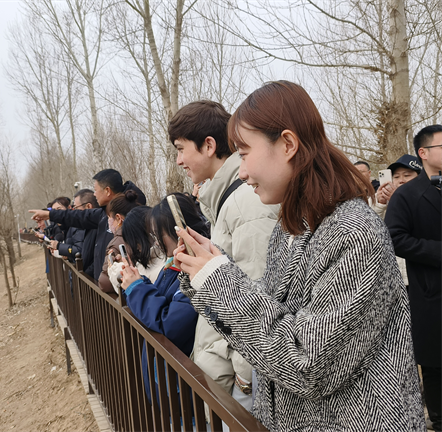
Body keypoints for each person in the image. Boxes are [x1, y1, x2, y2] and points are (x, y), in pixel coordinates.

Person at [174, 81, 424, 431]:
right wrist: (209, 276)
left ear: (288, 144)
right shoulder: (290, 228)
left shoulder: (353, 232)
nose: (242, 172)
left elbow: (307, 363)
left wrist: (221, 280)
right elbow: (269, 334)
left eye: (245, 155)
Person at [169, 100, 279, 410]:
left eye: (180, 149)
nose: (178, 161)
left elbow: (262, 297)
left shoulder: (246, 203)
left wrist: (246, 374)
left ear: (208, 145)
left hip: (241, 378)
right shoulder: (226, 202)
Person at [120, 193, 209, 401]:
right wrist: (138, 282)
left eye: (158, 234)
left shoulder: (198, 270)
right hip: (170, 385)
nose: (156, 242)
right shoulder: (174, 265)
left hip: (182, 392)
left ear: (178, 232)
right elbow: (163, 298)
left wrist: (136, 288)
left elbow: (169, 323)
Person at [385, 124, 442, 432]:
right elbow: (394, 238)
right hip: (431, 295)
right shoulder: (407, 195)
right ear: (424, 153)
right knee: (435, 369)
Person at [30, 169, 146, 281]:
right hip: (103, 285)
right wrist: (50, 215)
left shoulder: (131, 215)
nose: (94, 194)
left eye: (96, 190)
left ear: (107, 191)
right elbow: (77, 216)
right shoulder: (103, 214)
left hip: (120, 289)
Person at [369, 154, 422, 286]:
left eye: (407, 175)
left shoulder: (428, 197)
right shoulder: (378, 198)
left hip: (419, 274)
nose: (401, 180)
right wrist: (380, 204)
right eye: (396, 177)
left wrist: (397, 202)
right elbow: (369, 228)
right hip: (392, 276)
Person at [97, 189, 141, 293]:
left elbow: (104, 284)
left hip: (128, 298)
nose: (109, 221)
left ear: (118, 218)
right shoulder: (146, 232)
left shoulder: (116, 243)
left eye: (109, 217)